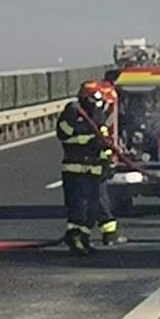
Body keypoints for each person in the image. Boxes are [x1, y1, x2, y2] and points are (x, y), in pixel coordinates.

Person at [57, 81, 121, 254]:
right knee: (79, 206)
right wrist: (90, 140)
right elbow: (64, 135)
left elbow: (104, 143)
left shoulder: (97, 116)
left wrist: (107, 163)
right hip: (75, 169)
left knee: (92, 207)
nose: (105, 106)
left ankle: (82, 240)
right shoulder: (72, 113)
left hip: (94, 170)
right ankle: (76, 238)